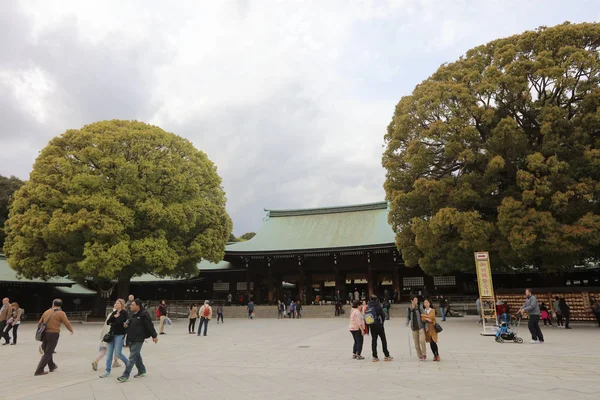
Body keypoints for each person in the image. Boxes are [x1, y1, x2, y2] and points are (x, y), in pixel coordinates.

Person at [117, 299, 158, 382]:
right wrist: (125, 325)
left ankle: (125, 375)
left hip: (138, 338)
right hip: (131, 338)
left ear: (138, 306)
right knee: (136, 355)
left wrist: (154, 336)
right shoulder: (131, 314)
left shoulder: (144, 314)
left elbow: (150, 325)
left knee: (132, 357)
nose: (130, 306)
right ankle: (142, 370)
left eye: (132, 305)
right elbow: (128, 323)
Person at [34, 299, 74, 376]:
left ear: (53, 304)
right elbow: (66, 322)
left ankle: (51, 366)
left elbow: (39, 323)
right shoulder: (61, 313)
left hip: (45, 333)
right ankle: (39, 370)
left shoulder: (47, 312)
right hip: (54, 334)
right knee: (48, 352)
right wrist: (71, 329)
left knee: (47, 351)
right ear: (60, 305)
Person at [100, 299, 129, 378]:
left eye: (117, 303)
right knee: (109, 354)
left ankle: (128, 364)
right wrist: (114, 318)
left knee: (118, 354)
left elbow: (119, 323)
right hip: (111, 335)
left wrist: (115, 320)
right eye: (115, 303)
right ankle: (107, 370)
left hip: (119, 335)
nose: (115, 304)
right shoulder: (114, 313)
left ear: (121, 305)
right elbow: (108, 322)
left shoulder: (124, 313)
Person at [365, 295, 392, 362]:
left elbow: (366, 316)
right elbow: (383, 315)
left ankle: (375, 356)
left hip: (372, 325)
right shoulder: (378, 305)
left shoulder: (368, 306)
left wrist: (368, 327)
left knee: (374, 340)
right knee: (383, 339)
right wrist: (382, 322)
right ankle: (386, 355)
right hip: (379, 325)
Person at [406, 295, 427, 361]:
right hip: (414, 328)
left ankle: (424, 354)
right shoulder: (409, 309)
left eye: (417, 300)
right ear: (412, 301)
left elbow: (425, 316)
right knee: (416, 344)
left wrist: (426, 326)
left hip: (421, 327)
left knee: (422, 340)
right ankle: (419, 355)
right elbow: (408, 317)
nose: (416, 301)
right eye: (415, 300)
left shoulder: (420, 308)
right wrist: (407, 322)